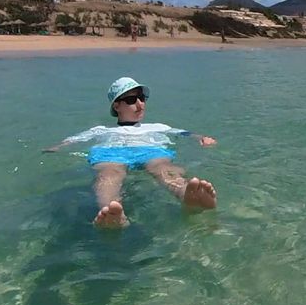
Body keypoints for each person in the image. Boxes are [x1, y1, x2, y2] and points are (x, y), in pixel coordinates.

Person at [44, 77, 217, 228]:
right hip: (112, 153)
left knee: (162, 167)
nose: (140, 103)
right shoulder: (101, 130)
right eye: (132, 99)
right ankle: (112, 212)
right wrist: (56, 147)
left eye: (142, 98)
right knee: (110, 173)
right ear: (117, 106)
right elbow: (74, 140)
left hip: (149, 151)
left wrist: (201, 138)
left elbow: (183, 133)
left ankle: (186, 194)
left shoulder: (158, 127)